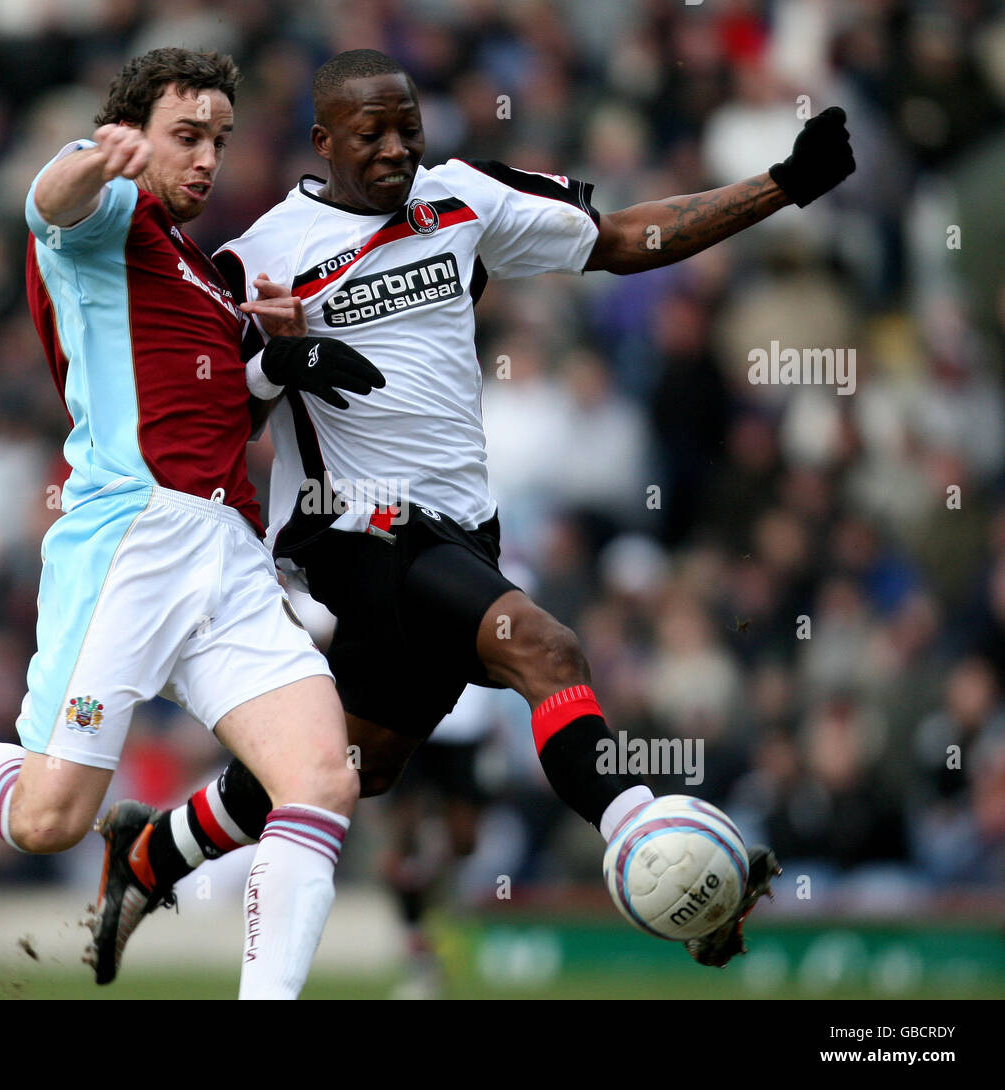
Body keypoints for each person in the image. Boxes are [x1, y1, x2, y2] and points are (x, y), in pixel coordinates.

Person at [99, 48, 854, 977]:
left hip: (458, 529)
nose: (393, 149)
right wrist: (272, 362)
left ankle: (148, 854)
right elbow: (217, 419)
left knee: (355, 768)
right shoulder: (257, 258)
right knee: (547, 650)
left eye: (407, 128)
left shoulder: (462, 197)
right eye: (369, 133)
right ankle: (645, 843)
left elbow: (621, 239)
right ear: (322, 140)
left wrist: (781, 186)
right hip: (348, 527)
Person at [0, 47, 387, 1000]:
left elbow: (204, 404)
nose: (207, 158)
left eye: (218, 138)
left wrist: (277, 367)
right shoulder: (112, 214)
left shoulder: (207, 275)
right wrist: (100, 153)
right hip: (132, 546)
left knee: (324, 779)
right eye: (186, 137)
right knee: (50, 818)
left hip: (228, 555)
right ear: (133, 134)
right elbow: (48, 200)